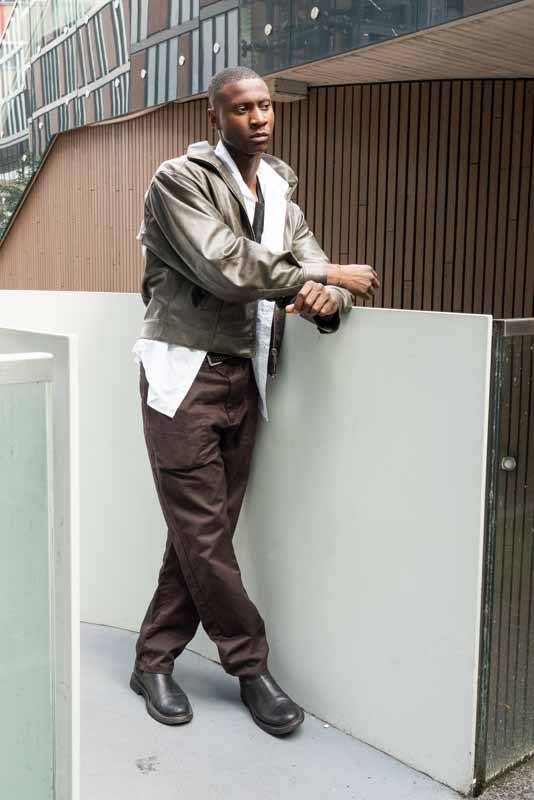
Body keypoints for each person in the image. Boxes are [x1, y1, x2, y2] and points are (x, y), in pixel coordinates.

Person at [130, 66, 380, 737]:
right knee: (204, 534)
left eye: (266, 105)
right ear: (214, 116)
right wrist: (323, 273)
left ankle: (152, 660)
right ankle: (251, 667)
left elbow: (317, 269)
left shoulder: (280, 195)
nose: (260, 117)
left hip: (247, 377)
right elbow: (225, 264)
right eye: (242, 108)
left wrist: (328, 297)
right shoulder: (179, 180)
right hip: (183, 376)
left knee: (201, 534)